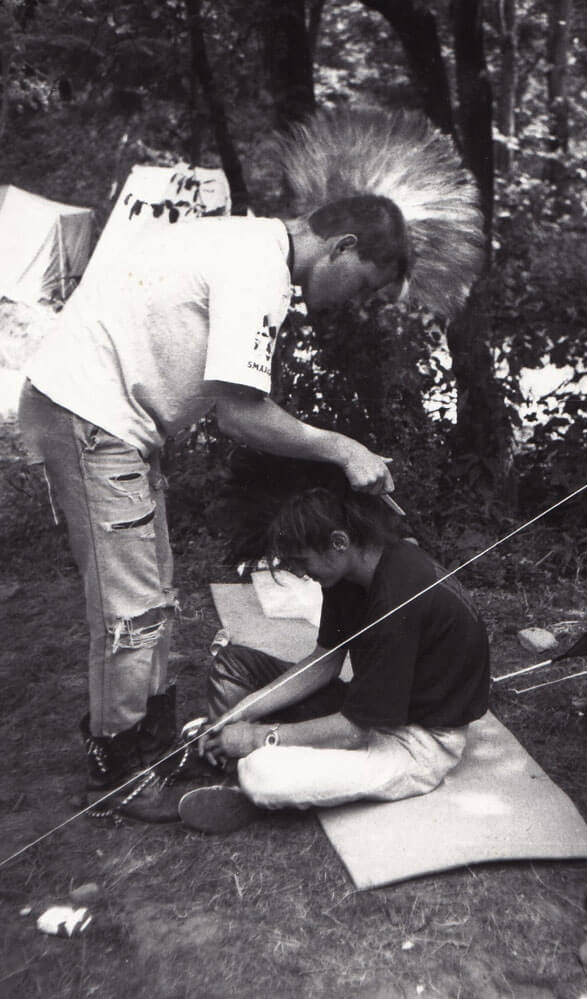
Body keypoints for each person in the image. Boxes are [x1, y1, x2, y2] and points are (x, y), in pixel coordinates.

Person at [18, 106, 484, 816]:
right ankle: (118, 772)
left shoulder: (247, 244)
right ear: (342, 247)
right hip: (90, 415)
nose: (350, 304)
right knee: (129, 610)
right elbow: (241, 415)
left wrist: (254, 727)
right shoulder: (258, 270)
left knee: (155, 595)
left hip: (115, 422)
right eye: (362, 285)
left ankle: (154, 746)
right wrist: (342, 446)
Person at [175, 468, 490, 834]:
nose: (299, 573)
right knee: (233, 665)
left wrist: (257, 737)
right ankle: (230, 755)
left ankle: (241, 773)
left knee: (264, 774)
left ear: (339, 542)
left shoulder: (396, 600)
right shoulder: (350, 573)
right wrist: (240, 712)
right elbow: (324, 663)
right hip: (374, 710)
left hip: (418, 743)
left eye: (301, 561)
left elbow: (354, 730)